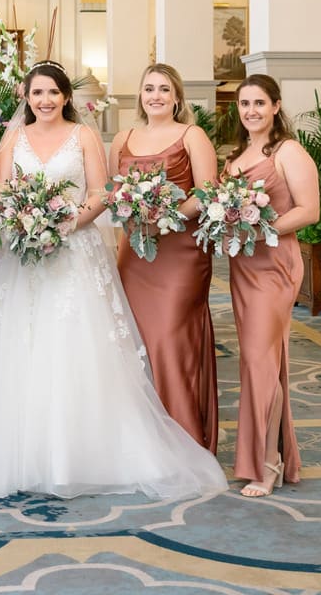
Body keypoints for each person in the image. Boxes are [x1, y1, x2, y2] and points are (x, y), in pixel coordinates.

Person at [0, 61, 228, 499]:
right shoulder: (12, 140)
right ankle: (21, 455)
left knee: (75, 348)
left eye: (52, 93)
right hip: (22, 260)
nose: (45, 101)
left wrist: (66, 223)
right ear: (26, 97)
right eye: (37, 93)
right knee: (23, 351)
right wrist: (26, 223)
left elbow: (102, 193)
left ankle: (84, 454)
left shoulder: (84, 136)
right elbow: (4, 194)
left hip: (75, 253)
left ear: (65, 97)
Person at [109, 63, 220, 451]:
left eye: (164, 89)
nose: (155, 95)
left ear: (177, 97)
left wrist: (165, 218)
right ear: (140, 95)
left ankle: (184, 437)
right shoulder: (123, 137)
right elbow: (114, 194)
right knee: (134, 339)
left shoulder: (193, 135)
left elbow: (207, 192)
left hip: (181, 254)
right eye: (149, 88)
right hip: (134, 253)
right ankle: (142, 438)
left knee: (171, 338)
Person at [222, 73, 319, 497]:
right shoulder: (235, 156)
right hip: (242, 267)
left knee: (261, 361)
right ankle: (260, 454)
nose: (251, 111)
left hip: (275, 264)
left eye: (259, 103)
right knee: (254, 360)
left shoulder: (289, 151)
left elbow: (309, 211)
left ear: (276, 106)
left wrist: (263, 230)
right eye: (245, 103)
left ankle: (268, 464)